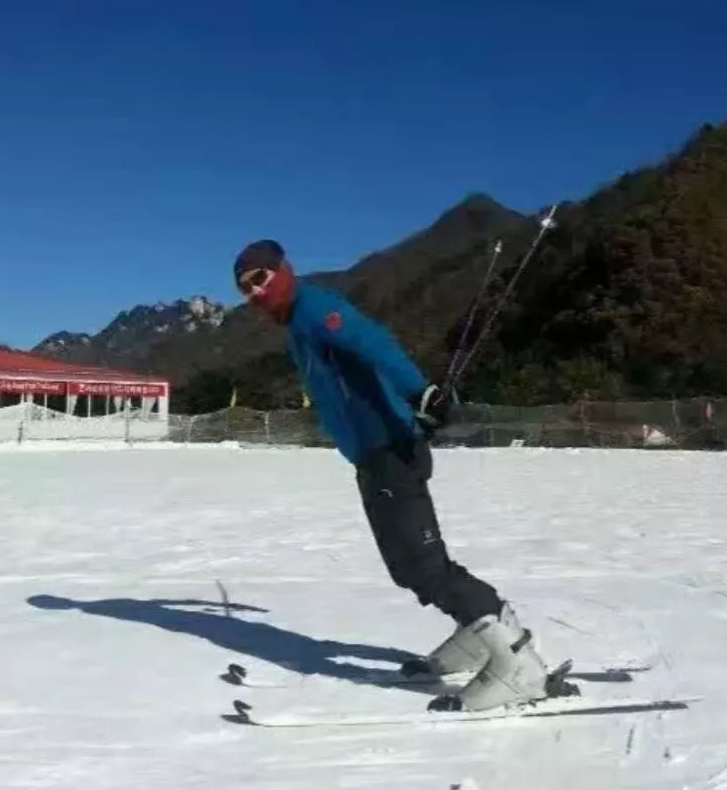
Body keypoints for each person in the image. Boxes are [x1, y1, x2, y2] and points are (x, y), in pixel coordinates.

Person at [232, 238, 551, 711]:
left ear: (284, 269)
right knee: (411, 566)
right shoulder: (299, 322)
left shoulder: (315, 309)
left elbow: (373, 341)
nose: (255, 293)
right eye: (245, 288)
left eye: (260, 278)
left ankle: (516, 664)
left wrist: (420, 393)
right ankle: (476, 635)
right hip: (374, 451)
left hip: (387, 451)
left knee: (421, 566)